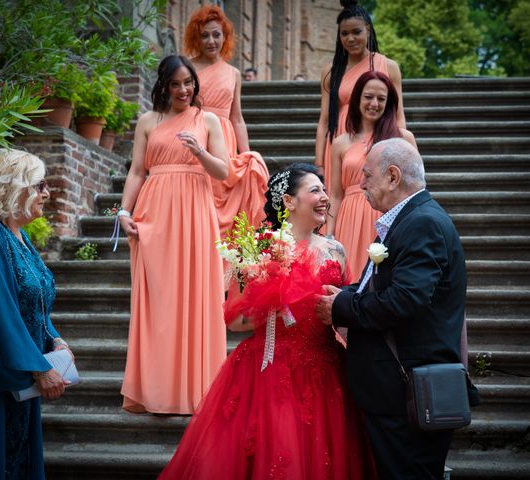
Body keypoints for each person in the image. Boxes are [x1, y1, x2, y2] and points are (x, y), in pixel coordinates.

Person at [157, 164, 376, 479]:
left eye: (325, 190)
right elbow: (236, 321)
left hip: (326, 371)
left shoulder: (335, 251)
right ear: (288, 201)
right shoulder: (257, 249)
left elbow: (344, 312)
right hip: (268, 370)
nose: (325, 197)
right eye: (315, 190)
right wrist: (270, 301)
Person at [317, 138, 467, 479]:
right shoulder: (410, 219)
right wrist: (346, 293)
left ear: (393, 176)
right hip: (397, 389)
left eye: (367, 174)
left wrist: (342, 306)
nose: (360, 183)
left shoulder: (422, 222)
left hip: (405, 390)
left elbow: (406, 300)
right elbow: (385, 286)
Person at [119, 55, 230, 414]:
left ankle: (195, 390)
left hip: (195, 213)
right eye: (176, 84)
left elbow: (223, 172)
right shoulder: (148, 121)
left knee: (195, 296)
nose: (184, 90)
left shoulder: (208, 120)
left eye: (189, 83)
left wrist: (199, 153)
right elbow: (137, 170)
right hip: (154, 212)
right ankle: (156, 389)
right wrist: (123, 210)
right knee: (158, 302)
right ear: (164, 86)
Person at [0, 148, 72, 479]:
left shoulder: (16, 236)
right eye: (39, 185)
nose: (47, 193)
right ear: (12, 187)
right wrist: (37, 367)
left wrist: (55, 340)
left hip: (20, 378)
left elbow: (31, 300)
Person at [184, 5, 269, 235]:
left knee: (225, 202)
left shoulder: (233, 73)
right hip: (197, 135)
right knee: (200, 201)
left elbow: (237, 118)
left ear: (225, 37)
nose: (211, 41)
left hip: (225, 142)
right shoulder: (187, 68)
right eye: (204, 35)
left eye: (216, 35)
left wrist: (247, 154)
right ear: (196, 37)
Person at [325, 71, 416, 281]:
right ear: (357, 98)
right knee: (351, 282)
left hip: (388, 216)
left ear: (389, 103)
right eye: (368, 97)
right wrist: (329, 235)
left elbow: (415, 189)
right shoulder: (340, 142)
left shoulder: (403, 139)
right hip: (350, 217)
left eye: (381, 99)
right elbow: (335, 194)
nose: (374, 103)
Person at [314, 0, 406, 197]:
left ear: (368, 31)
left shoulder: (388, 66)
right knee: (341, 198)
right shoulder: (331, 72)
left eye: (356, 32)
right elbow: (323, 120)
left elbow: (398, 115)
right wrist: (319, 163)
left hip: (379, 136)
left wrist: (401, 150)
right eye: (344, 34)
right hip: (341, 139)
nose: (350, 38)